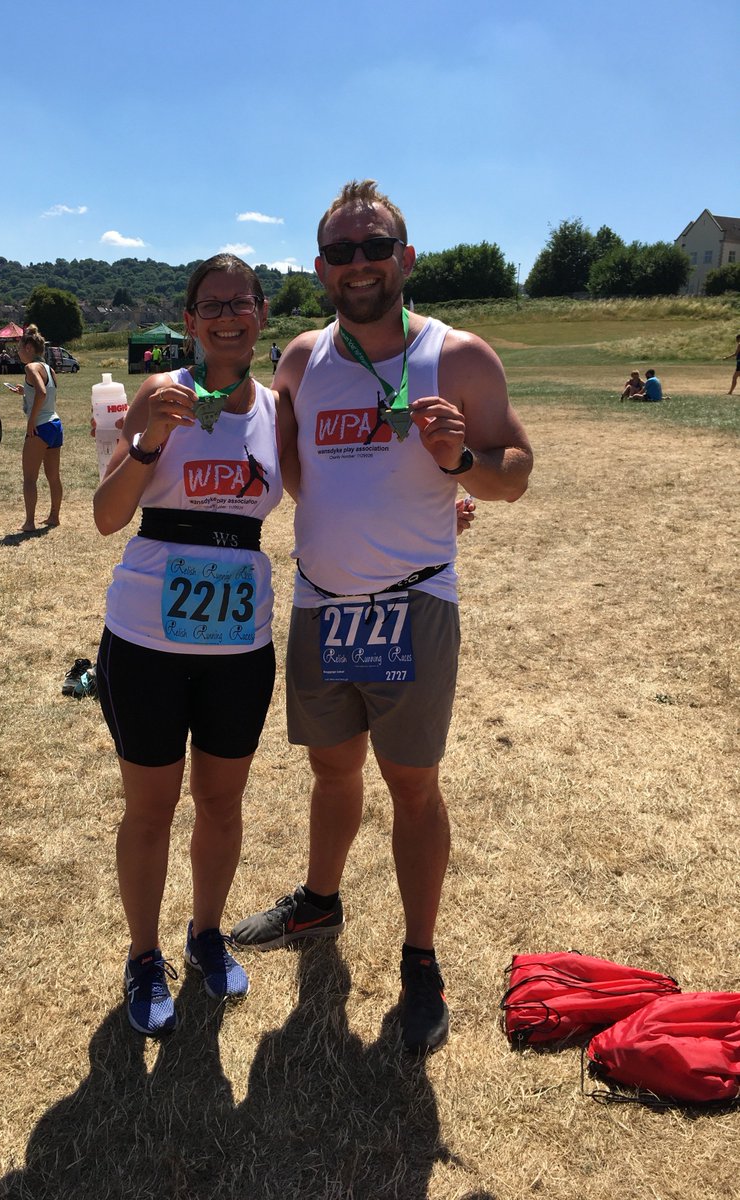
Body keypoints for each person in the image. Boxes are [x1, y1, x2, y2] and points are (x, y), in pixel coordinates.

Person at [231, 179, 533, 1055]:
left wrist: (462, 464)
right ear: (320, 267)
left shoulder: (458, 356)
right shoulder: (300, 360)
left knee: (412, 784)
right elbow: (284, 471)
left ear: (406, 257)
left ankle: (420, 959)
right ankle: (319, 903)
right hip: (322, 602)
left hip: (413, 603)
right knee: (332, 771)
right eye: (341, 251)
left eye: (375, 247)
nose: (358, 263)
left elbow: (514, 470)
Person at [93, 253, 295, 1037]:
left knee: (220, 803)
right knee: (150, 809)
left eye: (241, 303)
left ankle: (205, 933)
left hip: (238, 646)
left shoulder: (277, 410)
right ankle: (144, 955)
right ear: (190, 320)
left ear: (261, 315)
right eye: (211, 304)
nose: (227, 316)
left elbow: (328, 494)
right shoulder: (159, 391)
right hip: (146, 636)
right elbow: (107, 515)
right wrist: (149, 440)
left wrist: (433, 509)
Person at [10, 323, 63, 531]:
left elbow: (41, 393)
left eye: (19, 349)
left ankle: (29, 522)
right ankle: (54, 516)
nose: (18, 353)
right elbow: (46, 394)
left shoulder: (31, 368)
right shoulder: (49, 369)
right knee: (54, 477)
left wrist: (31, 420)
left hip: (40, 426)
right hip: (55, 424)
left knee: (30, 478)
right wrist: (25, 391)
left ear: (29, 348)